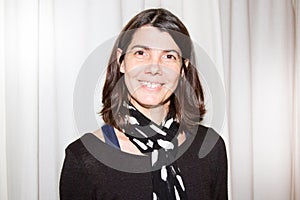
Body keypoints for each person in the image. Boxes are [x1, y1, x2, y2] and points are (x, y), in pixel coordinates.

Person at [59, 8, 228, 200]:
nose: (154, 68)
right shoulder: (84, 159)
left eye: (169, 56)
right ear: (121, 61)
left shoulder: (210, 148)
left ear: (183, 69)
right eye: (141, 53)